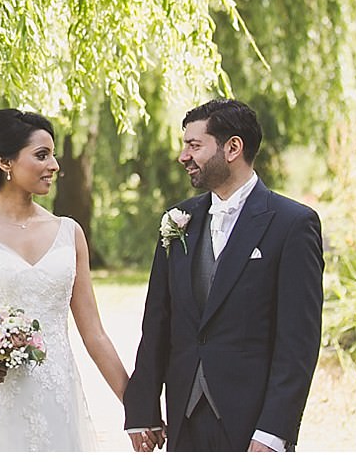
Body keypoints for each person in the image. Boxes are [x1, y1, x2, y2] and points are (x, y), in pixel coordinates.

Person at [124, 99, 324, 452]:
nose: (183, 156)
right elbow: (157, 321)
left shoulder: (293, 224)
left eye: (194, 145)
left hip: (251, 425)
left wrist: (273, 432)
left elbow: (298, 342)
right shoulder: (178, 221)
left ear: (233, 147)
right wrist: (143, 409)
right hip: (183, 417)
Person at [0, 108, 129, 451]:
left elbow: (94, 334)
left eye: (52, 155)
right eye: (42, 155)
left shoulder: (70, 233)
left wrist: (136, 405)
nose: (54, 165)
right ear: (5, 162)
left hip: (55, 393)